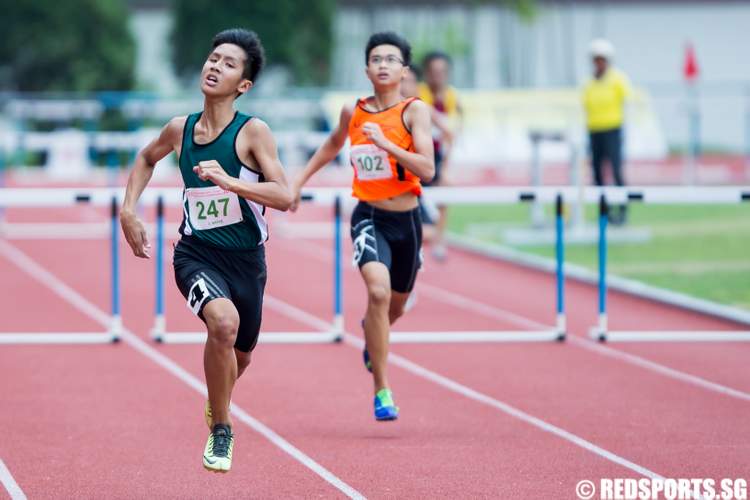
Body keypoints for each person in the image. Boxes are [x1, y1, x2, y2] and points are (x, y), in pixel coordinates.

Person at [120, 28, 292, 472]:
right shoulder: (180, 130)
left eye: (228, 63)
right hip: (195, 254)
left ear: (244, 85)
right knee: (223, 324)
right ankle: (222, 429)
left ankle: (217, 400)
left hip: (247, 261)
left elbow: (285, 195)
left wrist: (231, 181)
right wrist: (128, 211)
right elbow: (145, 159)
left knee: (242, 354)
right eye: (213, 58)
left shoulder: (253, 133)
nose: (215, 66)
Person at [290, 32, 434, 421]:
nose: (383, 64)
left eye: (391, 59)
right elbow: (332, 145)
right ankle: (382, 390)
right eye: (376, 59)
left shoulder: (414, 111)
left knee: (395, 306)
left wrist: (387, 144)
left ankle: (373, 333)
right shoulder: (351, 112)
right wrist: (298, 182)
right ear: (366, 68)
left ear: (404, 70)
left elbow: (427, 168)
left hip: (408, 220)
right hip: (369, 216)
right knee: (378, 290)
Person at [418, 51, 462, 260]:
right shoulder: (420, 92)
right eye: (434, 71)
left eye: (442, 71)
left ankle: (439, 240)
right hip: (417, 156)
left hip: (436, 156)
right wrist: (440, 123)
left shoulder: (451, 97)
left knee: (448, 185)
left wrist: (445, 168)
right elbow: (424, 110)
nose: (438, 75)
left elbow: (450, 136)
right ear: (427, 73)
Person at [582, 38, 632, 225]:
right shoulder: (588, 83)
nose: (599, 63)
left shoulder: (618, 79)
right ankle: (605, 212)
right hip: (594, 131)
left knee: (617, 171)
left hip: (613, 129)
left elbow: (627, 102)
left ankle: (623, 211)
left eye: (602, 59)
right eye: (596, 59)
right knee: (597, 174)